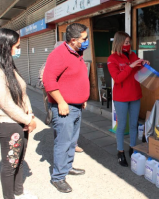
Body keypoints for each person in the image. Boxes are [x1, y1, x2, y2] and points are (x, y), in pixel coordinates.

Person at [0, 28, 37, 199]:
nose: (18, 49)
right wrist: (28, 119)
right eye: (16, 46)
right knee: (9, 165)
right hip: (8, 125)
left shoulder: (9, 67)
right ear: (6, 46)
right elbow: (6, 103)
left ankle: (18, 192)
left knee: (19, 161)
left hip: (20, 122)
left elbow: (22, 93)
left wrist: (30, 112)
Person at [43, 23, 89, 193]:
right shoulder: (59, 54)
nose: (86, 42)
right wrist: (61, 102)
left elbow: (75, 78)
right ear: (73, 40)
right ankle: (58, 177)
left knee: (71, 141)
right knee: (63, 142)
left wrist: (82, 98)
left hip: (76, 106)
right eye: (84, 39)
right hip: (65, 107)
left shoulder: (77, 52)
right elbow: (49, 81)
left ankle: (67, 167)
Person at [107, 31, 149, 167]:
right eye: (126, 42)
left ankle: (133, 148)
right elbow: (118, 78)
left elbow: (139, 72)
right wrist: (130, 67)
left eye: (129, 42)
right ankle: (120, 151)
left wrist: (144, 65)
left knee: (133, 124)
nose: (128, 44)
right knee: (122, 125)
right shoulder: (112, 59)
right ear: (119, 43)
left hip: (135, 94)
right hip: (121, 97)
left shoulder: (133, 55)